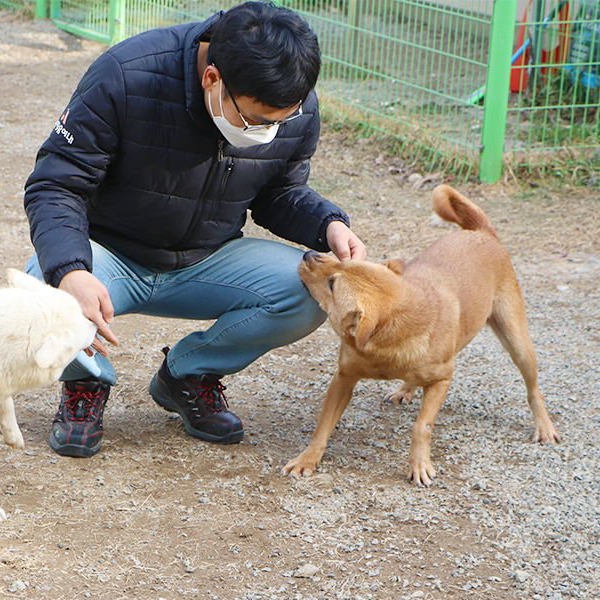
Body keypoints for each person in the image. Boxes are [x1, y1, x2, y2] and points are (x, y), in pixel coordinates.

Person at [23, 1, 366, 458]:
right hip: (109, 256)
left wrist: (329, 225)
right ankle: (84, 382)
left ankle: (186, 374)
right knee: (39, 288)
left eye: (281, 120)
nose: (269, 131)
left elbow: (279, 194)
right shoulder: (126, 75)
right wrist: (72, 272)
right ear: (212, 79)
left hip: (207, 258)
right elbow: (55, 184)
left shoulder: (291, 104)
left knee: (309, 291)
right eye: (258, 120)